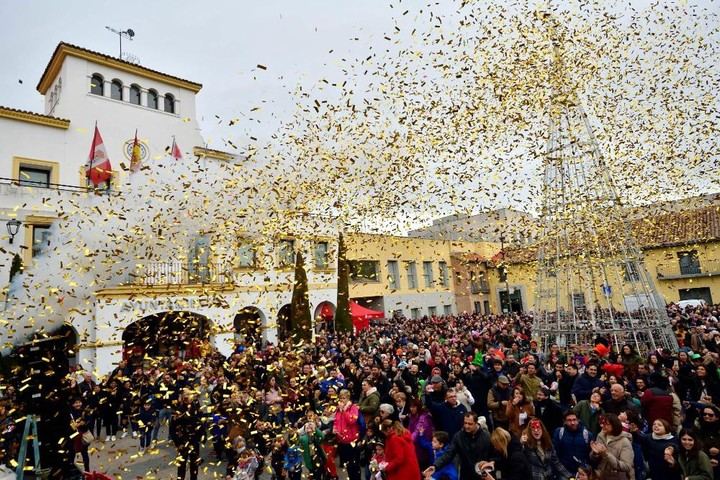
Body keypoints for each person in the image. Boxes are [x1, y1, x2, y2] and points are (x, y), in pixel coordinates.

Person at [424, 412, 492, 480]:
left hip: (483, 475)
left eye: (470, 424)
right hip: (466, 475)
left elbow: (492, 456)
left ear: (476, 423)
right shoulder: (459, 436)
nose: (467, 426)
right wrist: (435, 466)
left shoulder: (486, 436)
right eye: (465, 423)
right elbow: (448, 454)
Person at [170, 391, 204, 480]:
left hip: (194, 440)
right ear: (182, 398)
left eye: (189, 395)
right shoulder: (178, 410)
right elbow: (172, 429)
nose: (187, 397)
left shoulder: (196, 409)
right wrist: (178, 443)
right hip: (182, 441)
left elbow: (201, 423)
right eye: (185, 395)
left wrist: (202, 436)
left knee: (194, 464)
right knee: (181, 465)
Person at [589, 413, 635, 480]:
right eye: (602, 423)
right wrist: (595, 454)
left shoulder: (624, 441)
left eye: (606, 424)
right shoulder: (600, 436)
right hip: (601, 476)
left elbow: (627, 466)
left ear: (615, 425)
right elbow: (594, 459)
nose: (603, 426)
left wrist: (606, 454)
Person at [333, 389, 362, 480]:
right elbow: (336, 420)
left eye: (344, 398)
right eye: (340, 398)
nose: (342, 400)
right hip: (342, 440)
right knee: (348, 464)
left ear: (348, 398)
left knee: (354, 464)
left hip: (351, 440)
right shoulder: (338, 409)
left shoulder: (353, 408)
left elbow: (352, 421)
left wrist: (344, 411)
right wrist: (335, 428)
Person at [70, 397, 91, 472]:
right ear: (72, 404)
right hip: (74, 436)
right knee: (72, 453)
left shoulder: (84, 411)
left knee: (84, 453)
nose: (78, 404)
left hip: (83, 435)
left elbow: (89, 421)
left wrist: (84, 423)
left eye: (79, 402)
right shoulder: (70, 413)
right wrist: (74, 425)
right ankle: (71, 469)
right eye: (76, 403)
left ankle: (87, 470)